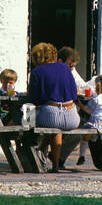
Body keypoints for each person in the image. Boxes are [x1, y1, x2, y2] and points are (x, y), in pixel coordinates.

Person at [27, 42, 81, 171]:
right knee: (55, 129)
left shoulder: (37, 72)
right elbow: (74, 94)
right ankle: (54, 163)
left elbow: (33, 99)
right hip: (72, 117)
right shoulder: (64, 68)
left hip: (50, 115)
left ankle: (33, 147)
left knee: (28, 115)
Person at [59, 47, 96, 165]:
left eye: (74, 66)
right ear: (60, 61)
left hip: (66, 108)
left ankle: (60, 158)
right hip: (55, 109)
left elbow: (82, 85)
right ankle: (55, 157)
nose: (72, 68)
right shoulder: (55, 73)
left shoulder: (72, 71)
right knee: (78, 126)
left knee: (80, 127)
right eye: (70, 65)